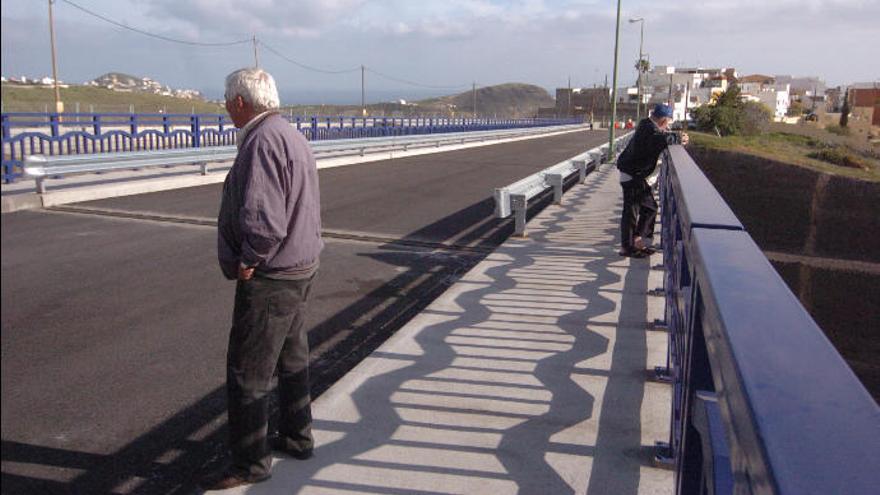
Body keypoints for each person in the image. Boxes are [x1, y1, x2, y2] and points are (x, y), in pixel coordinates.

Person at [202, 68, 324, 491]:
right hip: (300, 266)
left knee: (248, 371)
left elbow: (264, 219)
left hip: (273, 274)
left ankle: (250, 463)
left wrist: (250, 260)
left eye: (225, 98)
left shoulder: (261, 141)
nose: (224, 105)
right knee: (291, 361)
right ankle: (297, 437)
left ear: (240, 102)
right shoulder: (288, 133)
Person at [616, 103, 688, 258]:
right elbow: (658, 139)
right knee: (635, 211)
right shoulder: (649, 129)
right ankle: (629, 246)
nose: (668, 125)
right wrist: (678, 137)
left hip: (634, 174)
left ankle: (636, 242)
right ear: (663, 120)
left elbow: (658, 138)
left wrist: (675, 136)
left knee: (643, 209)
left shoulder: (646, 125)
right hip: (633, 175)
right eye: (668, 122)